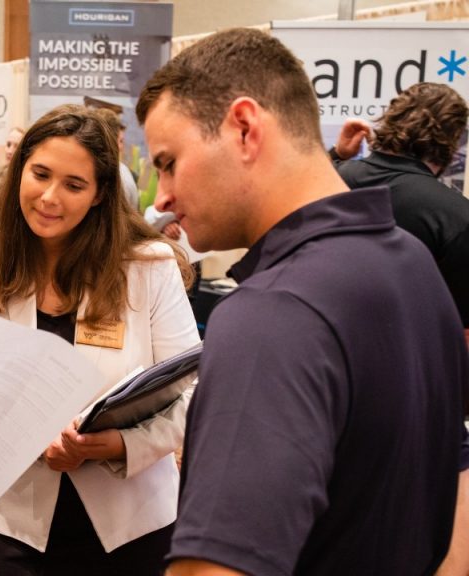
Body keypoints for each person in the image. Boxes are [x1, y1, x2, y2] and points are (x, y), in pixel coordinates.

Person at [135, 28, 469, 575]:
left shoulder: (274, 312)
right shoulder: (414, 265)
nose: (164, 195)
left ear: (244, 128)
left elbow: (217, 567)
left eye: (169, 162)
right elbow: (458, 484)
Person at [0, 104, 198, 574]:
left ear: (100, 194)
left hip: (131, 523)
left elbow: (193, 391)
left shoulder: (147, 267)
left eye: (73, 185)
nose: (49, 197)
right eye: (40, 174)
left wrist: (118, 445)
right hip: (16, 518)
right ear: (18, 170)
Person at [330, 83, 469, 338]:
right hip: (404, 364)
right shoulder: (458, 217)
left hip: (317, 349)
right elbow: (460, 333)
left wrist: (336, 156)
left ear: (390, 119)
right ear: (453, 140)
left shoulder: (332, 179)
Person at [94, 108, 140, 211]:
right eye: (120, 141)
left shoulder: (122, 174)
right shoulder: (120, 174)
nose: (122, 147)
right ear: (110, 141)